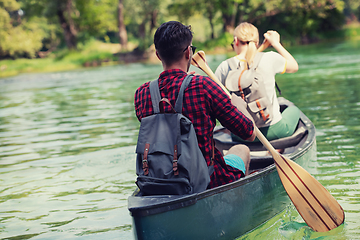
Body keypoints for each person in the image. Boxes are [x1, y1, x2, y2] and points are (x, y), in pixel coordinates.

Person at [134, 21, 255, 189]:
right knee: (242, 149)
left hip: (160, 181)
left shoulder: (142, 93)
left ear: (158, 55)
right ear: (188, 52)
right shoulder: (204, 86)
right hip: (207, 180)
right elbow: (249, 133)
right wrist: (240, 106)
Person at [215, 22, 300, 142]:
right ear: (256, 42)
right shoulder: (269, 58)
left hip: (241, 135)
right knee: (293, 110)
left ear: (236, 40)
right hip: (273, 131)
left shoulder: (225, 66)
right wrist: (276, 43)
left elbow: (216, 97)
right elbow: (294, 66)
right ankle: (278, 150)